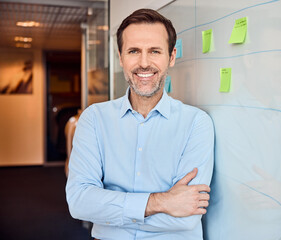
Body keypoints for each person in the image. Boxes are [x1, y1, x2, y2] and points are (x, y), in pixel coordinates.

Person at [66, 9, 214, 240]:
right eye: (134, 51)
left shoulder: (196, 123)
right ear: (121, 57)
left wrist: (110, 211)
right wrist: (163, 201)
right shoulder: (94, 119)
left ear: (171, 57)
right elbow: (79, 203)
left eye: (155, 51)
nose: (144, 63)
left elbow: (186, 218)